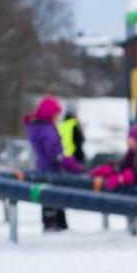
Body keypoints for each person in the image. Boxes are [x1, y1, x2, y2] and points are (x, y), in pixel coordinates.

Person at [23, 95, 83, 231]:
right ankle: (55, 225)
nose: (57, 117)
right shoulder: (46, 131)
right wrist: (72, 165)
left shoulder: (39, 128)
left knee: (49, 200)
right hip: (50, 170)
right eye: (56, 114)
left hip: (44, 168)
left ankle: (52, 223)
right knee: (53, 198)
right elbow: (55, 154)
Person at [89, 123, 137, 190]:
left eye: (131, 138)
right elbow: (124, 166)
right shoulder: (132, 153)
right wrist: (112, 169)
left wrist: (123, 178)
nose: (127, 140)